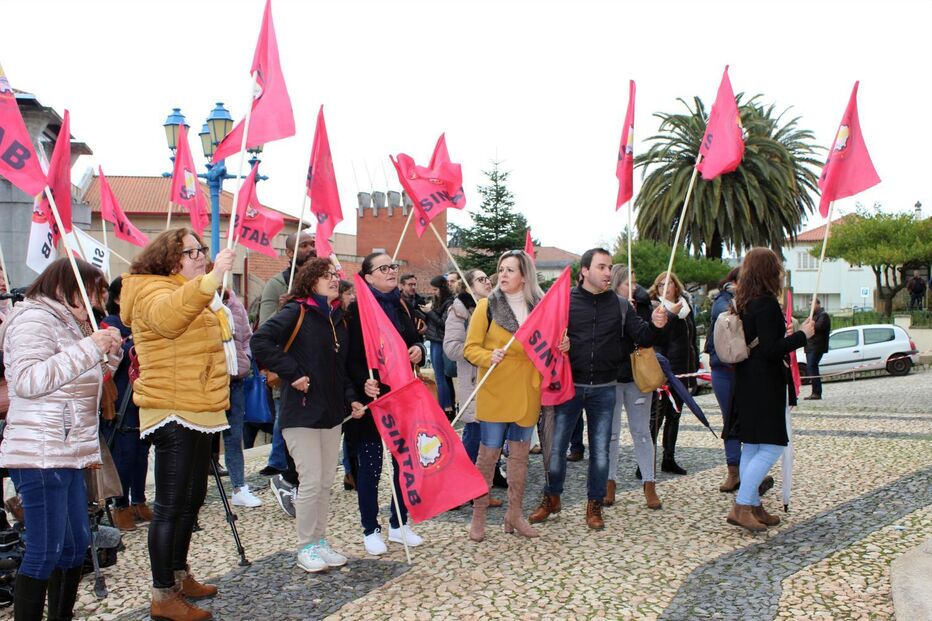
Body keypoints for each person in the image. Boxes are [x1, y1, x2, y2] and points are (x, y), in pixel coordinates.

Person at [121, 228, 236, 621]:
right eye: (191, 252)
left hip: (200, 406)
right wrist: (211, 279)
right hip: (173, 408)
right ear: (168, 257)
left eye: (201, 249)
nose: (201, 256)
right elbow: (170, 319)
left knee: (192, 499)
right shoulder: (149, 289)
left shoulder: (185, 288)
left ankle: (178, 573)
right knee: (170, 506)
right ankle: (162, 594)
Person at [0, 258, 121, 621]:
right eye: (89, 291)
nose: (94, 301)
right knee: (45, 550)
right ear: (63, 287)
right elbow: (29, 380)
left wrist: (110, 356)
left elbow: (77, 380)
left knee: (73, 546)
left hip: (66, 449)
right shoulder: (34, 318)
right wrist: (90, 348)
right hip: (40, 450)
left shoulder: (66, 322)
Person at [530, 249, 666, 530]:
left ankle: (595, 504)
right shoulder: (565, 301)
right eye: (602, 267)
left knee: (601, 451)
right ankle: (552, 496)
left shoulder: (620, 305)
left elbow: (642, 337)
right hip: (569, 386)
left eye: (609, 267)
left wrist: (656, 325)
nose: (608, 273)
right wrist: (560, 345)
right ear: (584, 271)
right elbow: (544, 335)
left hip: (605, 387)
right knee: (557, 447)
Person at [251, 258, 366, 573]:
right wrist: (293, 373)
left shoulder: (338, 319)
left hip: (331, 414)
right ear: (311, 281)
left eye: (335, 275)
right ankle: (306, 546)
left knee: (325, 481)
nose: (334, 279)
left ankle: (319, 540)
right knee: (311, 480)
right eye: (326, 275)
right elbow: (260, 341)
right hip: (300, 413)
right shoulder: (296, 311)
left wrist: (352, 400)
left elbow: (340, 370)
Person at [464, 250, 559, 541]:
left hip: (527, 391)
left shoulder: (539, 309)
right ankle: (478, 516)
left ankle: (514, 515)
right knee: (488, 456)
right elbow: (470, 348)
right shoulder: (487, 306)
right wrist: (488, 355)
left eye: (510, 270)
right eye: (501, 269)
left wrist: (562, 344)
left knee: (519, 458)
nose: (503, 275)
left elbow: (550, 346)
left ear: (524, 276)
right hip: (495, 390)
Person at [344, 253, 427, 555]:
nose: (391, 271)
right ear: (367, 277)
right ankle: (370, 529)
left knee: (405, 462)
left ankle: (399, 523)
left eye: (393, 266)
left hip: (401, 396)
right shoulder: (355, 311)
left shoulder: (400, 305)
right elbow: (347, 359)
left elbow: (414, 340)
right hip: (370, 399)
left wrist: (418, 350)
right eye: (384, 267)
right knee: (370, 466)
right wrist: (359, 388)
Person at [729, 248, 814, 532]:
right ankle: (742, 505)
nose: (780, 272)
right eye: (777, 267)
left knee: (752, 445)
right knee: (774, 445)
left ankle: (753, 505)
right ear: (769, 271)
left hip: (746, 380)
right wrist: (802, 335)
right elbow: (770, 350)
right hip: (764, 382)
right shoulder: (765, 304)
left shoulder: (743, 302)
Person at [258, 231, 316, 479]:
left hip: (317, 365)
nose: (311, 249)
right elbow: (263, 329)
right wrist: (284, 309)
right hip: (290, 367)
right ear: (290, 253)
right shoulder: (277, 284)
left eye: (312, 244)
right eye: (304, 245)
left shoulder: (322, 281)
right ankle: (284, 470)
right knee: (287, 419)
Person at [606, 265, 663, 510]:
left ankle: (649, 483)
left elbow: (647, 337)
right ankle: (609, 482)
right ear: (616, 283)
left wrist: (652, 321)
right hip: (609, 378)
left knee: (641, 431)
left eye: (635, 282)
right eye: (628, 282)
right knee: (611, 434)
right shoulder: (604, 306)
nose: (634, 286)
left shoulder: (641, 305)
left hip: (636, 377)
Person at [101, 276, 154, 531]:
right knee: (123, 454)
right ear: (118, 299)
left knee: (142, 452)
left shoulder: (142, 321)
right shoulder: (110, 324)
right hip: (121, 398)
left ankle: (139, 500)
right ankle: (120, 506)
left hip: (143, 396)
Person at [648, 271, 699, 475]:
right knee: (656, 417)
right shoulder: (656, 308)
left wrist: (693, 369)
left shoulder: (685, 308)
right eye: (661, 285)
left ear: (676, 286)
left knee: (675, 415)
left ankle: (668, 458)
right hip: (663, 369)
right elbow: (657, 338)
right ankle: (645, 461)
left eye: (668, 284)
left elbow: (692, 339)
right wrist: (670, 314)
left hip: (682, 369)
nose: (665, 288)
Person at [223, 289, 262, 508]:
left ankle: (238, 487)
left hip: (235, 379)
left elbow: (247, 337)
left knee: (234, 435)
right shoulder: (199, 302)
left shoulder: (236, 306)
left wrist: (244, 358)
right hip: (208, 382)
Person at [707, 268, 743, 492]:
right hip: (724, 368)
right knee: (730, 419)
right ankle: (734, 471)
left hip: (744, 367)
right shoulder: (722, 301)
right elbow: (728, 316)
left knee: (747, 419)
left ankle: (749, 470)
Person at [425, 275, 456, 418]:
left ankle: (445, 407)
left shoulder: (449, 302)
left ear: (442, 288)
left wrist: (429, 312)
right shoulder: (440, 300)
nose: (434, 292)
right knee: (440, 376)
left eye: (435, 289)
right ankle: (446, 405)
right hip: (434, 339)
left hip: (440, 340)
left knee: (440, 376)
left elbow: (444, 323)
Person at [804, 298, 831, 400]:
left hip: (817, 346)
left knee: (812, 367)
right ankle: (815, 391)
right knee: (811, 368)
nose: (810, 307)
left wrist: (811, 324)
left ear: (818, 304)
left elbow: (819, 327)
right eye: (809, 304)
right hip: (810, 346)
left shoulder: (823, 315)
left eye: (812, 304)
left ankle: (817, 392)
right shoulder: (812, 316)